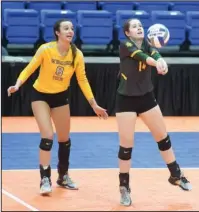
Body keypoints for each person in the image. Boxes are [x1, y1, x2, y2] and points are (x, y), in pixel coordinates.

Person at [7, 19, 108, 195]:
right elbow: (30, 68)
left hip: (61, 97)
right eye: (66, 28)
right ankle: (44, 178)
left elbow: (82, 80)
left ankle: (63, 176)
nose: (70, 31)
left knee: (64, 139)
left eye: (72, 28)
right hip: (40, 96)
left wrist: (94, 104)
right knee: (47, 137)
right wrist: (17, 84)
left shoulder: (76, 55)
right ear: (57, 33)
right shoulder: (46, 49)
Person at [115, 18, 192, 206]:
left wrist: (161, 61)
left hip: (146, 97)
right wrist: (155, 62)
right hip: (126, 99)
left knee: (163, 137)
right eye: (134, 26)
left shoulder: (149, 44)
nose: (139, 28)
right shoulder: (125, 45)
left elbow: (155, 54)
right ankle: (124, 187)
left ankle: (175, 174)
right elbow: (143, 57)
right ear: (127, 33)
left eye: (140, 25)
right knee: (126, 146)